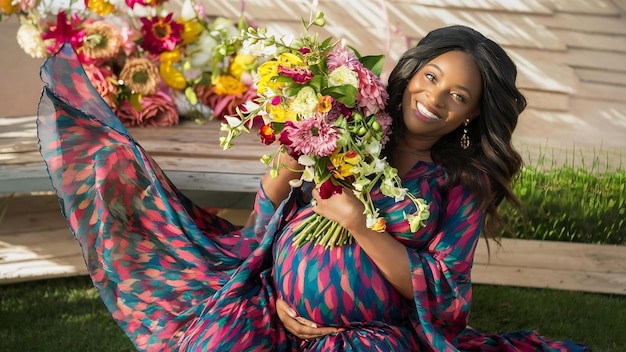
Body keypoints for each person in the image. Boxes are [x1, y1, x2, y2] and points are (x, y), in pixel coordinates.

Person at [36, 24, 588, 351]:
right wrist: (291, 145)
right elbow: (272, 208)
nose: (436, 97)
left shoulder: (463, 181)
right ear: (413, 71)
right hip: (275, 306)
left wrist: (357, 223)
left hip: (364, 338)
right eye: (432, 77)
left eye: (459, 96)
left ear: (470, 116)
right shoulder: (353, 119)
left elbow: (445, 294)